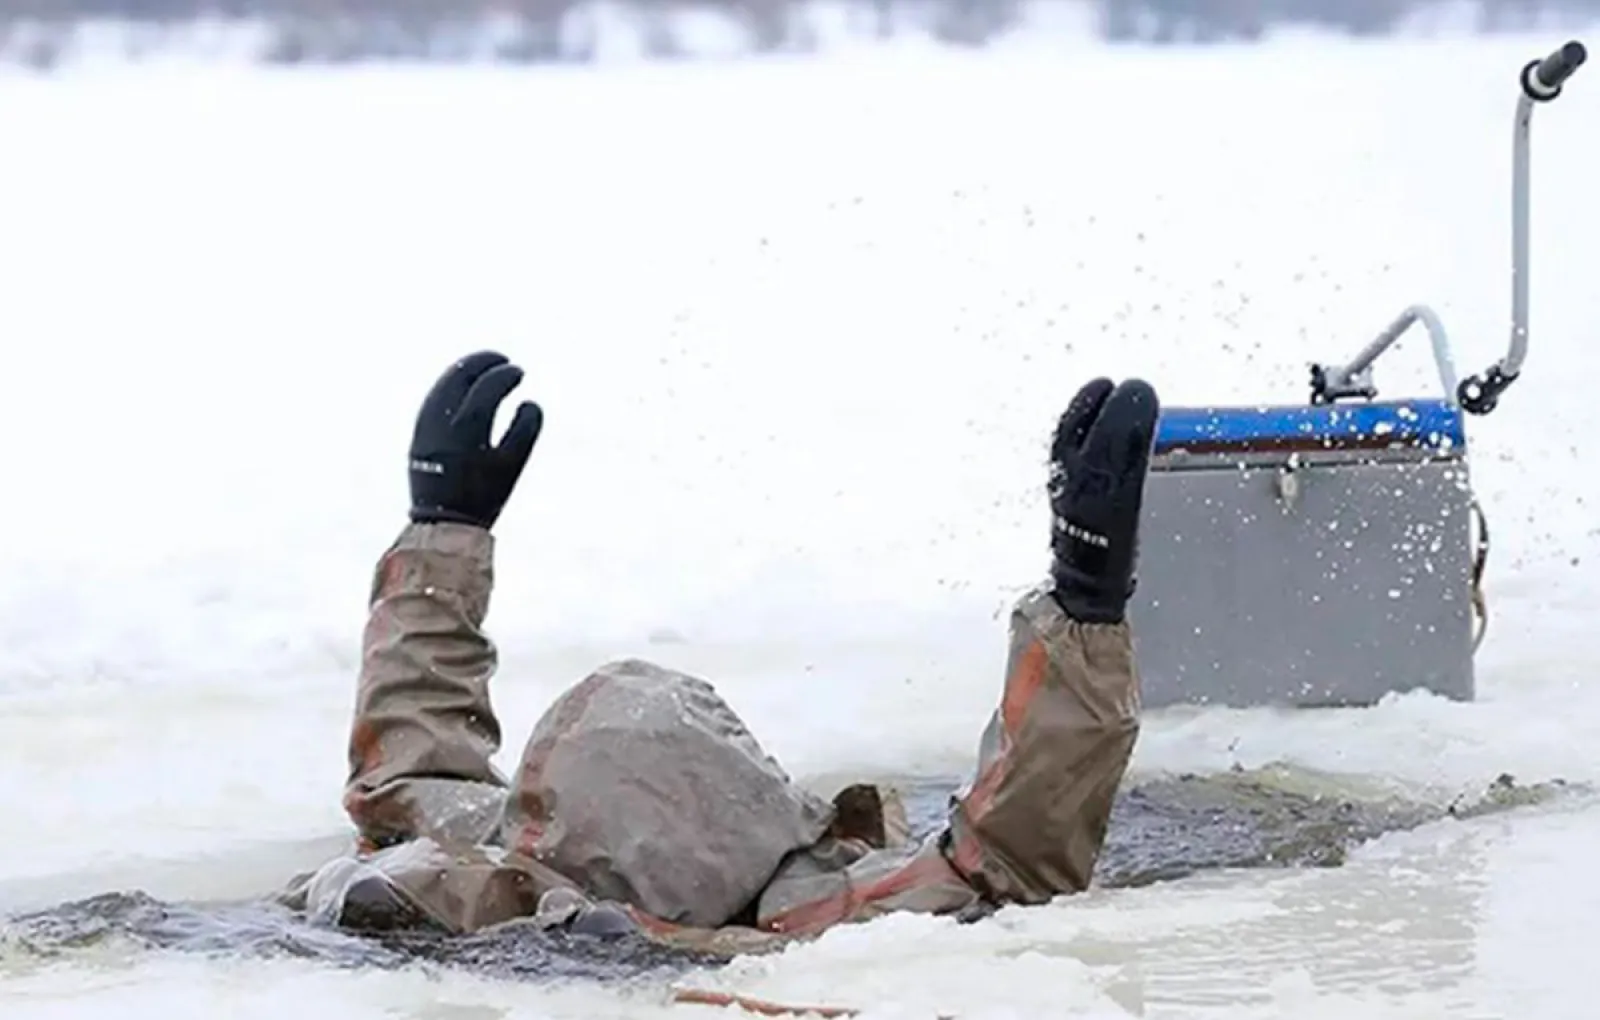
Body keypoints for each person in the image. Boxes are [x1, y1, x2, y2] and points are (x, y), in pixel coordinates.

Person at [280, 350, 1161, 956]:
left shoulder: (495, 879)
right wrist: (1084, 598)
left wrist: (442, 527)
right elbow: (1004, 866)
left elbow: (408, 780)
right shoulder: (815, 919)